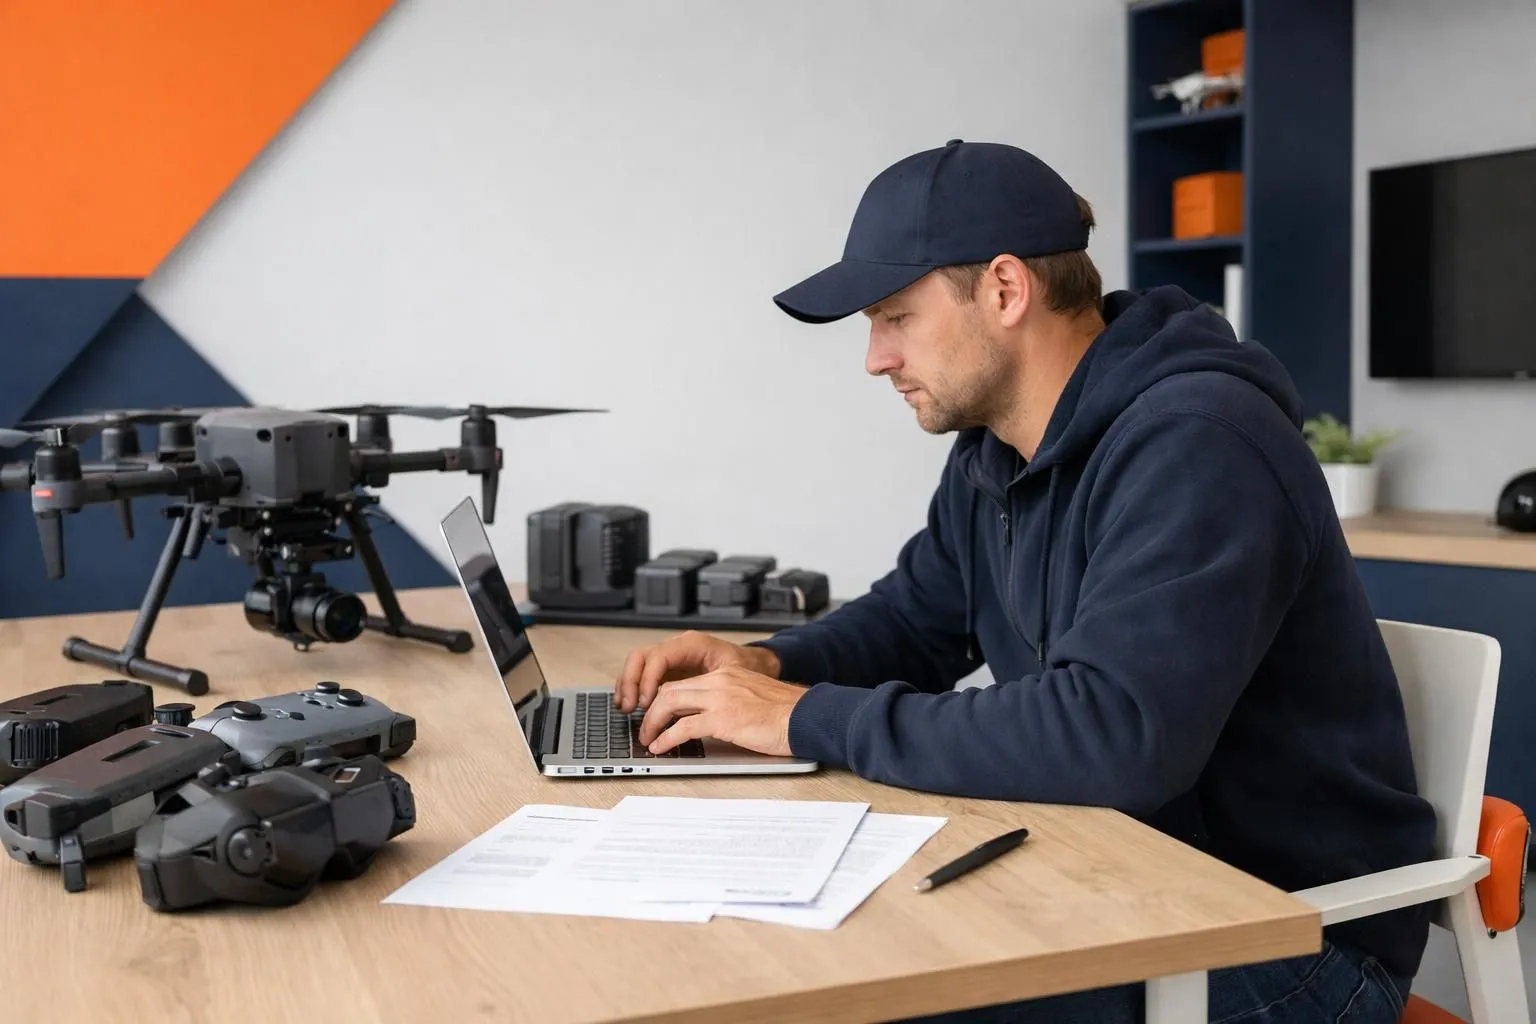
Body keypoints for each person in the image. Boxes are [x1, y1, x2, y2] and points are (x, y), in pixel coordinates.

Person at [613, 140, 1434, 1022]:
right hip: (1120, 879)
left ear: (1006, 290)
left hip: (1284, 941)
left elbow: (1114, 734)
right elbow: (914, 622)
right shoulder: (996, 450)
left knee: (833, 997)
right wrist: (767, 668)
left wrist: (802, 717)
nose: (876, 358)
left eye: (895, 317)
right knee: (778, 953)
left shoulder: (1202, 440)